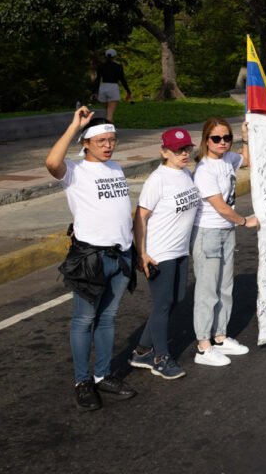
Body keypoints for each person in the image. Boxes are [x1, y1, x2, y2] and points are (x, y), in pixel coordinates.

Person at [45, 107, 138, 411]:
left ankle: (102, 375)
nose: (109, 145)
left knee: (108, 318)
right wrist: (74, 126)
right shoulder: (75, 171)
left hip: (121, 256)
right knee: (84, 320)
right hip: (91, 259)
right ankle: (82, 381)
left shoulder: (116, 168)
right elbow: (51, 162)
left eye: (112, 140)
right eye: (102, 141)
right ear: (86, 143)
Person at [130, 129, 202, 381]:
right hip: (160, 253)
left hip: (180, 250)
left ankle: (141, 350)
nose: (184, 154)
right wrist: (141, 252)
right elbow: (140, 216)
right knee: (162, 304)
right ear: (164, 152)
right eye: (177, 150)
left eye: (186, 149)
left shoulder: (185, 173)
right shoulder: (157, 179)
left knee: (177, 298)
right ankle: (160, 357)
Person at [190, 118, 259, 367]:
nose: (222, 143)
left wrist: (245, 136)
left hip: (225, 232)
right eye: (216, 139)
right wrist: (244, 221)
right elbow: (220, 206)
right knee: (207, 291)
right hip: (207, 233)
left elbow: (247, 160)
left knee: (225, 287)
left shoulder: (228, 159)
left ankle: (219, 337)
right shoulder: (204, 169)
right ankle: (203, 346)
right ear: (206, 140)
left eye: (226, 138)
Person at [92, 49, 132, 123]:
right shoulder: (118, 67)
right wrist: (128, 91)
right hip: (113, 88)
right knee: (110, 112)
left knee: (108, 110)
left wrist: (94, 92)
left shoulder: (101, 66)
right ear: (114, 56)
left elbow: (97, 79)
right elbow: (122, 80)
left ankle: (110, 124)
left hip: (103, 88)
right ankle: (108, 129)